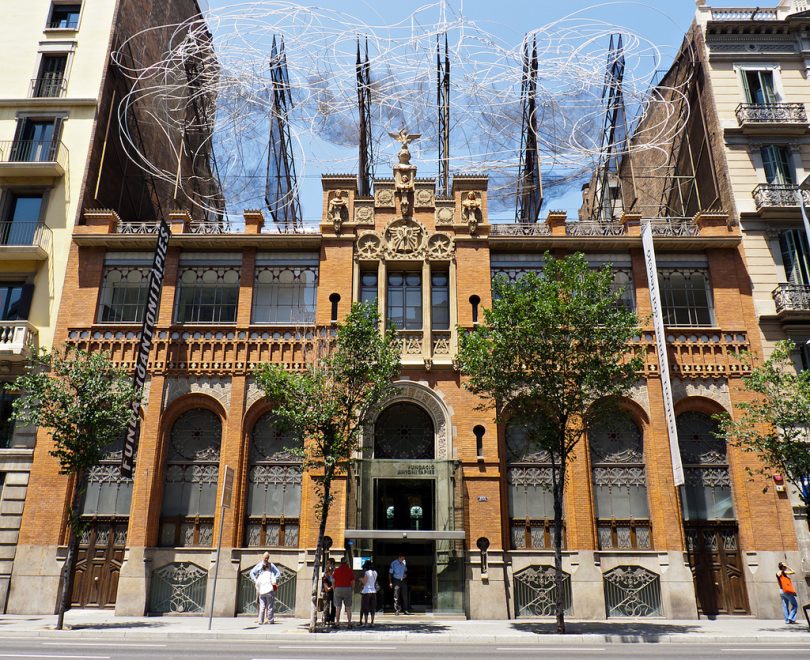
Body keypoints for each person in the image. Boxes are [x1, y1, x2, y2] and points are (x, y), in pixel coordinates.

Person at [249, 552, 281, 623]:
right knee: (265, 604)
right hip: (263, 588)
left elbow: (278, 573)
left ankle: (262, 620)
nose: (266, 559)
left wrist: (257, 581)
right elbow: (252, 573)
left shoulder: (271, 566)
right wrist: (255, 580)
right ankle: (267, 619)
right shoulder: (260, 566)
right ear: (263, 557)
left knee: (263, 605)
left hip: (262, 587)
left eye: (267, 558)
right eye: (265, 558)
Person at [332, 556, 355, 628]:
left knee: (338, 607)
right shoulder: (350, 570)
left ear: (340, 562)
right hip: (347, 588)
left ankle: (337, 623)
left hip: (338, 588)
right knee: (348, 608)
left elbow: (333, 581)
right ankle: (349, 623)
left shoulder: (336, 570)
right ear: (346, 562)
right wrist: (352, 589)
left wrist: (334, 589)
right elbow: (353, 582)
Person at [360, 560, 378, 627]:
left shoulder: (367, 572)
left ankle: (366, 622)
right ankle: (372, 622)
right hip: (373, 591)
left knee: (366, 607)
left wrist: (361, 579)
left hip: (366, 591)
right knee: (372, 608)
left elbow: (364, 582)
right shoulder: (375, 573)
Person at [321, 559, 336, 627]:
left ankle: (332, 619)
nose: (328, 564)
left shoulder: (335, 571)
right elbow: (324, 581)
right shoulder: (326, 572)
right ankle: (325, 619)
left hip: (333, 590)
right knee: (326, 605)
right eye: (327, 563)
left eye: (329, 563)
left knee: (333, 605)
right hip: (328, 589)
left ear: (332, 564)